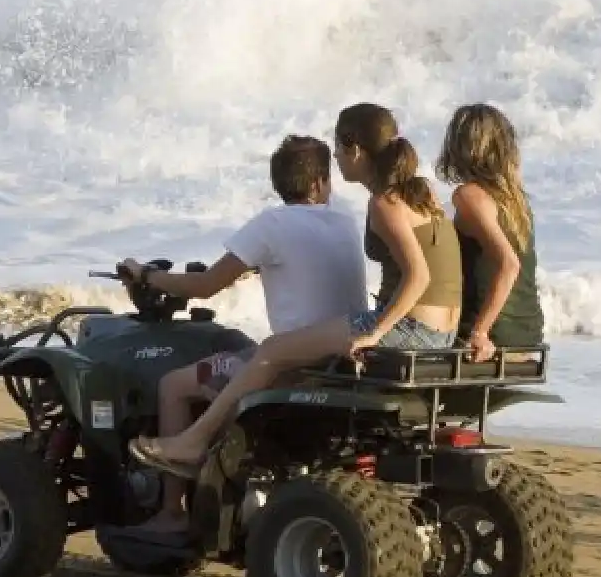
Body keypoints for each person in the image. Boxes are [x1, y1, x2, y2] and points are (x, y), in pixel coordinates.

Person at [129, 101, 463, 478]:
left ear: (355, 150)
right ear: (320, 184)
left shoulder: (379, 204)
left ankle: (191, 447)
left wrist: (377, 330)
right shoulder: (402, 200)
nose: (337, 160)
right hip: (443, 333)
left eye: (339, 149)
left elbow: (418, 275)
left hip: (405, 329)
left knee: (267, 352)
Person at [119, 134, 369, 534]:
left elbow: (205, 286)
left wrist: (148, 275)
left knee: (173, 384)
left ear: (278, 183)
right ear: (321, 183)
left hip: (292, 365)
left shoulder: (270, 224)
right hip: (342, 358)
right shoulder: (345, 220)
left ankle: (170, 512)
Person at [434, 102, 544, 363]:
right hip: (528, 332)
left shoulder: (469, 196)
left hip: (493, 334)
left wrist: (480, 332)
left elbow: (509, 264)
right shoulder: (515, 200)